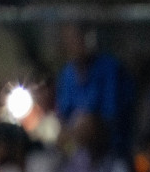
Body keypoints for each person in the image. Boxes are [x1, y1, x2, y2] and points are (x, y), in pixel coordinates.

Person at [55, 23, 134, 157]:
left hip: (109, 141)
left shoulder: (109, 67)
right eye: (68, 42)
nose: (72, 46)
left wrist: (86, 123)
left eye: (76, 40)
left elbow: (111, 112)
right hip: (77, 141)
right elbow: (63, 112)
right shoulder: (68, 72)